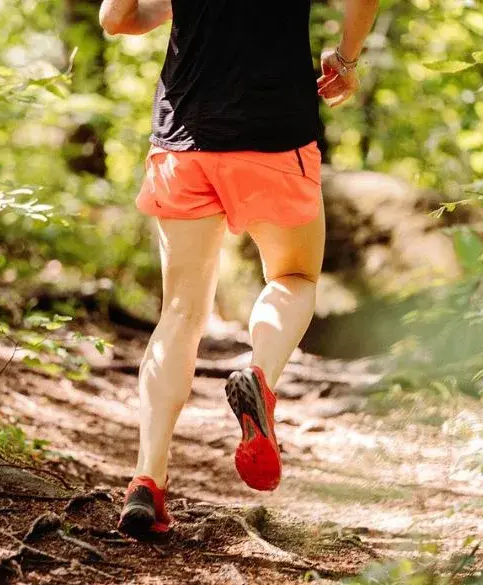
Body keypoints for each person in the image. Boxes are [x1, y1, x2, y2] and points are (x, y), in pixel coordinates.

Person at [98, 0, 379, 537]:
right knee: (293, 278)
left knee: (179, 314)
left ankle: (146, 482)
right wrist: (344, 62)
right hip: (277, 134)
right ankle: (260, 376)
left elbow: (117, 18)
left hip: (184, 136)